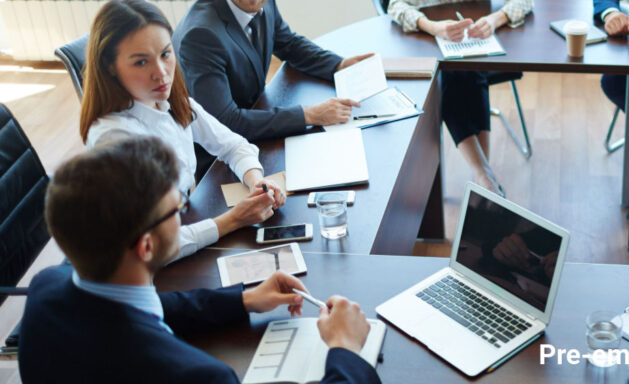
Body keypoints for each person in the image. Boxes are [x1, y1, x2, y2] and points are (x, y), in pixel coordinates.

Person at [18, 137, 380, 383]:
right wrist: (345, 349)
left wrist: (242, 300)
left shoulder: (45, 289)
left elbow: (135, 309)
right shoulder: (197, 377)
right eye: (176, 209)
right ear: (146, 247)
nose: (183, 215)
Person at [79, 0, 284, 260]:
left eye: (165, 54)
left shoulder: (169, 100)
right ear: (110, 68)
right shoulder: (114, 138)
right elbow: (153, 247)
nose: (162, 73)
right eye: (141, 62)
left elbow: (233, 144)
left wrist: (258, 182)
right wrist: (234, 220)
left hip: (186, 223)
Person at [387, 0, 534, 195]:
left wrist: (495, 19)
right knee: (456, 74)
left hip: (476, 39)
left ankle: (483, 178)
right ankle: (485, 176)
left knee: (468, 71)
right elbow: (397, 5)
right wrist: (433, 26)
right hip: (428, 41)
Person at [174, 0, 373, 141]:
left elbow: (288, 43)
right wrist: (310, 115)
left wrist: (339, 65)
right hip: (219, 153)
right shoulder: (201, 36)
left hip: (256, 116)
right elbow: (225, 122)